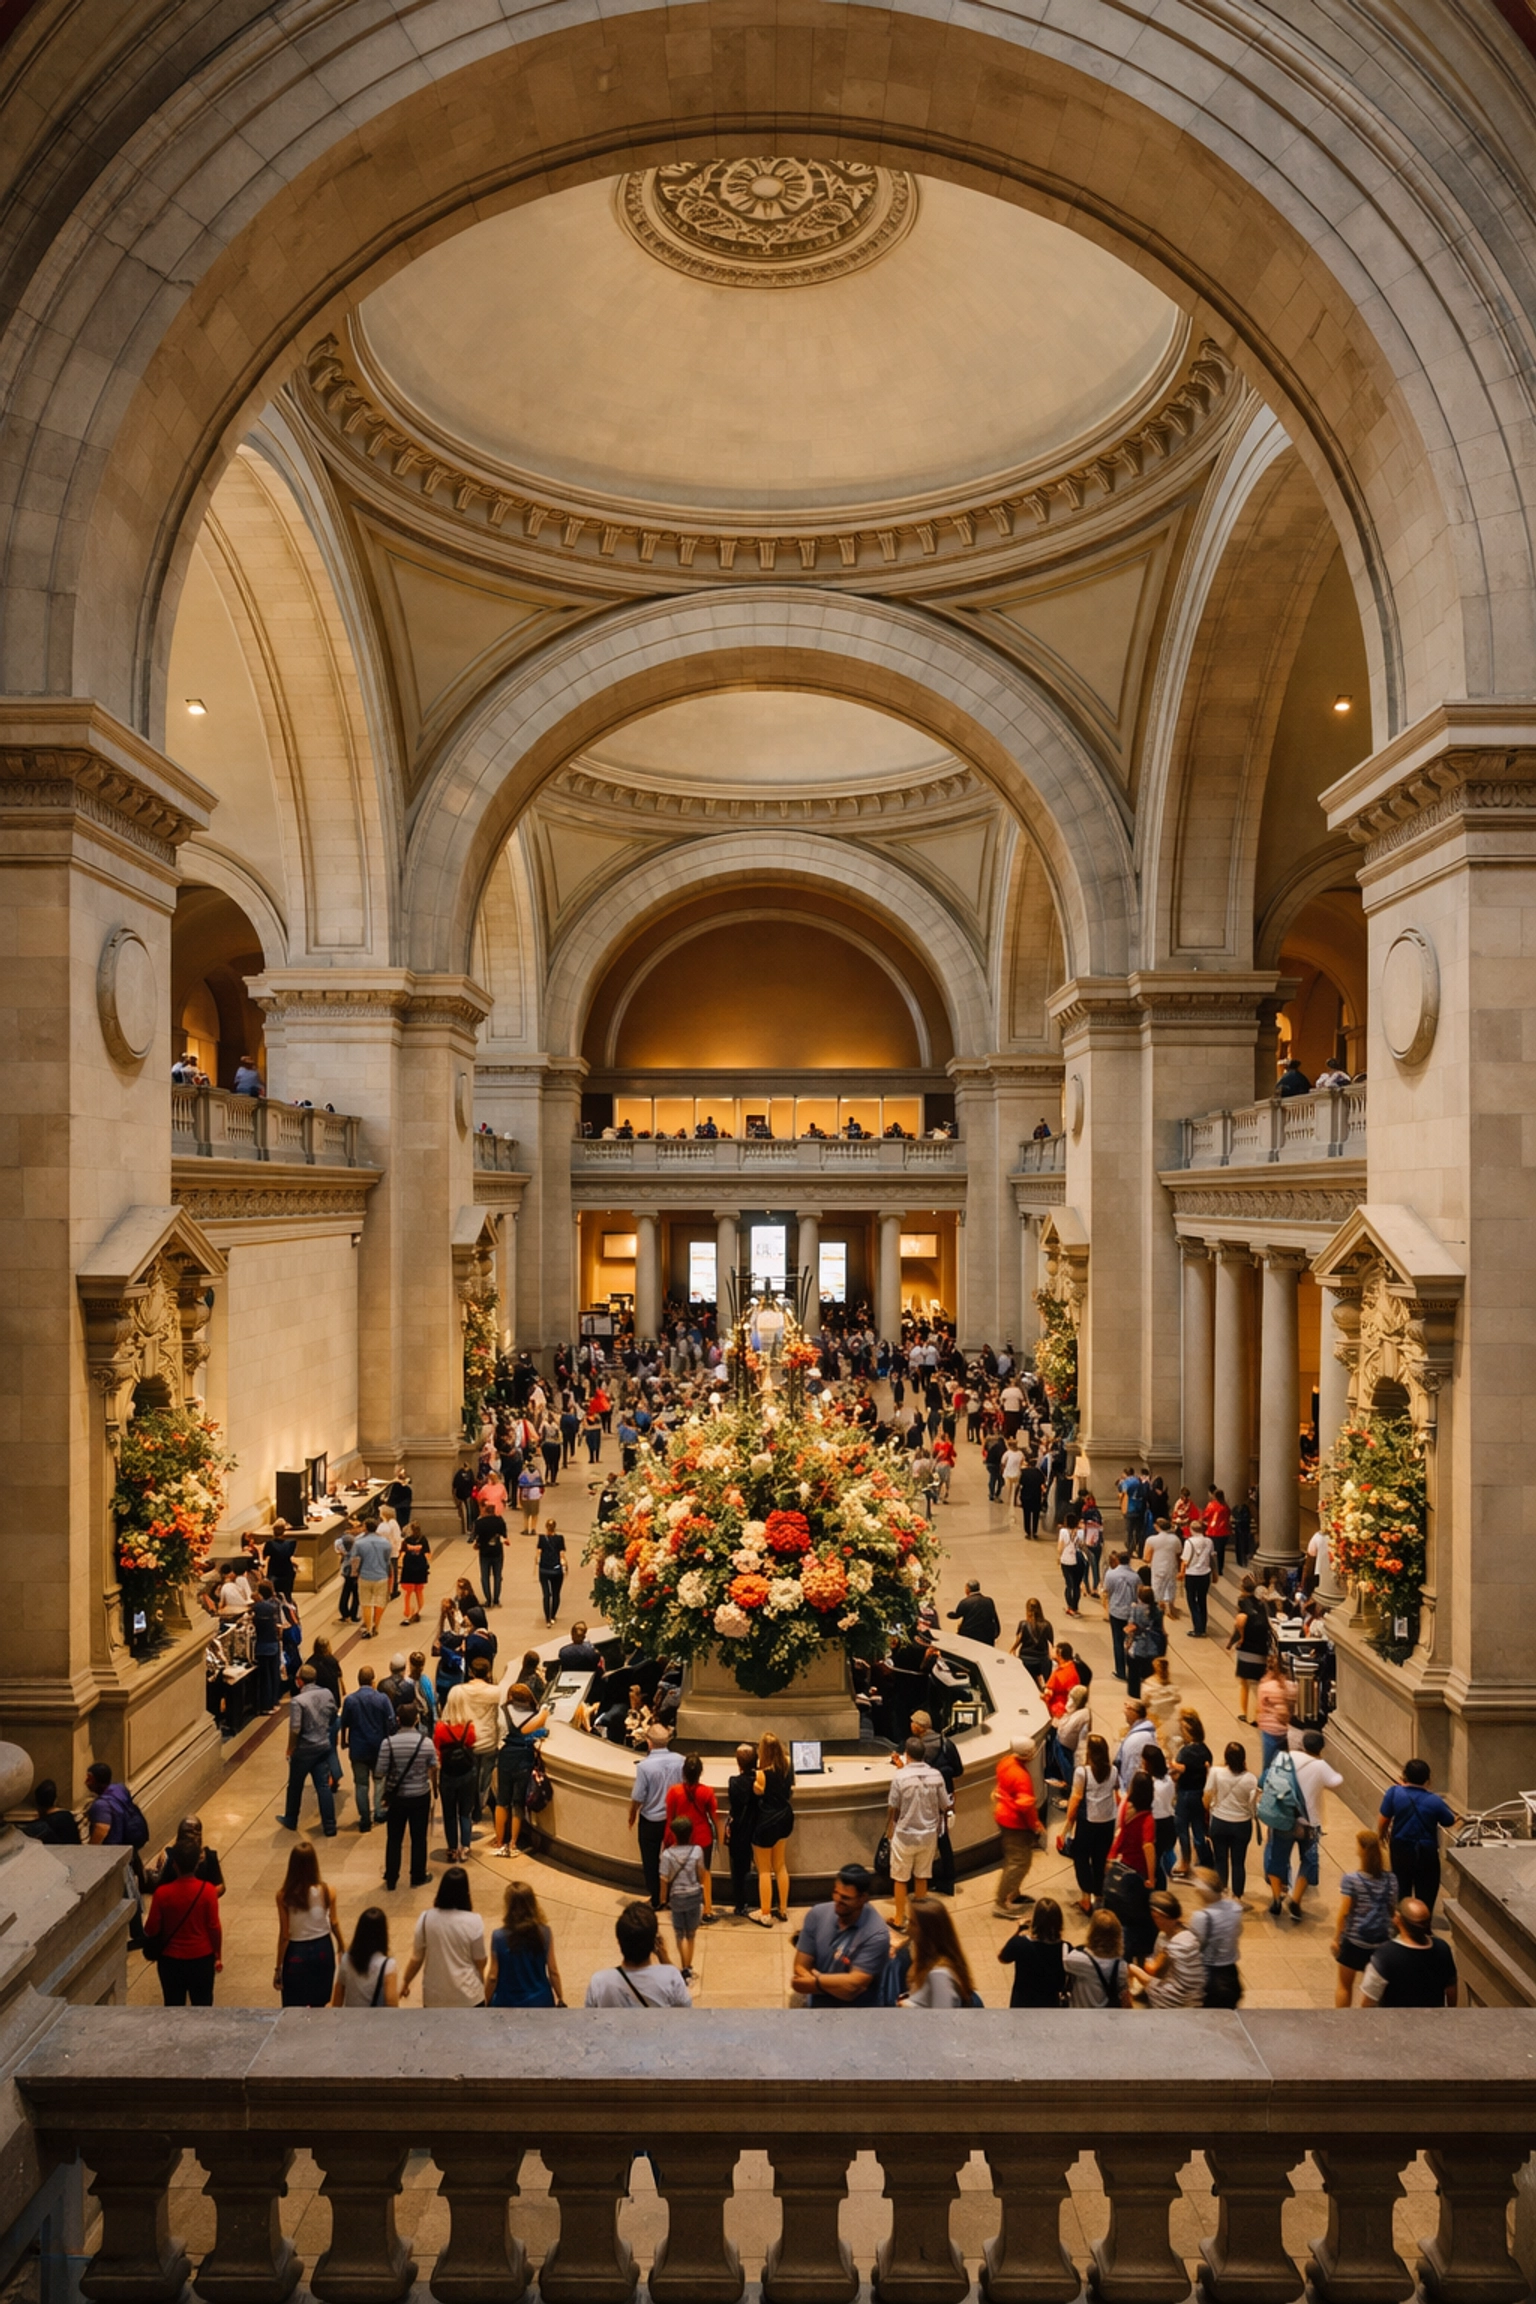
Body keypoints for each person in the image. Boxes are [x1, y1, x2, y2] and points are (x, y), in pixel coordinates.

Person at [1263, 1727, 1342, 1921]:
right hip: (1310, 1822)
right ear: (1321, 1748)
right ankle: (1296, 1900)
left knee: (1277, 1857)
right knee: (1309, 1859)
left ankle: (1276, 1898)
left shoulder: (1285, 1758)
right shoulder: (1321, 1765)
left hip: (1283, 1818)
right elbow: (1337, 1781)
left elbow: (1266, 1777)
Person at [790, 1863, 890, 2006]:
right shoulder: (817, 1914)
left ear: (862, 1899)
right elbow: (800, 1967)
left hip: (858, 2011)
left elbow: (852, 1991)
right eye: (835, 1893)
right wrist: (838, 1985)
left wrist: (816, 1981)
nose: (837, 1900)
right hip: (818, 2005)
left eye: (846, 1898)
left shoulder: (877, 1934)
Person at [143, 1834, 222, 2005]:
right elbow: (214, 1927)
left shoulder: (162, 1894)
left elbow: (151, 1929)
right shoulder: (208, 1891)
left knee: (173, 2005)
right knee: (203, 2006)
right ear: (197, 1864)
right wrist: (217, 1955)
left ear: (174, 1864)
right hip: (202, 1958)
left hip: (171, 1961)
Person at [886, 1734, 952, 1931]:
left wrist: (891, 1829)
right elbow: (945, 1803)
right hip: (929, 1834)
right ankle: (921, 1920)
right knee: (922, 1876)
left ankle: (899, 1919)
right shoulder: (936, 1775)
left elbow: (893, 1805)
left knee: (900, 1878)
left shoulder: (900, 1777)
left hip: (905, 1834)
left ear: (907, 1755)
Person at [1377, 1757, 1457, 1915]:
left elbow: (1384, 1819)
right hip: (1426, 1852)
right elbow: (1448, 1821)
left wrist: (1382, 1836)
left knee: (1401, 1886)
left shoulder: (1394, 1793)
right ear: (1428, 1779)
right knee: (1426, 1890)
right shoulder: (1434, 1800)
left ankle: (1402, 1923)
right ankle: (1422, 1924)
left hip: (1400, 1848)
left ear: (1404, 1775)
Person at [1331, 1828, 1399, 2006]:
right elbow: (1392, 1909)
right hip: (1381, 1942)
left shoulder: (1352, 1880)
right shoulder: (1391, 1880)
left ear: (1361, 1850)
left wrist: (1337, 1938)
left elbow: (1345, 1913)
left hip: (1354, 1941)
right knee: (1373, 1991)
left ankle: (1342, 2022)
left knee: (1344, 1986)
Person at [375, 1696, 437, 1890]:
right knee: (419, 1837)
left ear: (398, 1720)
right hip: (420, 1795)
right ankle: (417, 1875)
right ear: (417, 1720)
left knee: (394, 1838)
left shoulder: (388, 1744)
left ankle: (392, 1877)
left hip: (397, 1798)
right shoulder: (426, 1743)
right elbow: (433, 1766)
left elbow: (379, 1771)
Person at [584, 1898, 692, 2006]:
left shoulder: (599, 1983)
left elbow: (589, 2020)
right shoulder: (671, 1977)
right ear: (654, 1942)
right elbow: (686, 2013)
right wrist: (664, 1958)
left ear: (619, 1941)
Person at [402, 1867, 486, 2005]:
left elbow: (416, 1958)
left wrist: (406, 1981)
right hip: (468, 1996)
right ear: (466, 1893)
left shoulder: (426, 1918)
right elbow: (480, 1961)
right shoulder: (474, 1920)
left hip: (435, 1996)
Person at [273, 1838, 342, 2006]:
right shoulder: (327, 1891)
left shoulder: (284, 1895)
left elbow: (284, 1934)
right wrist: (342, 1945)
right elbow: (334, 1922)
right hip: (323, 1948)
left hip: (297, 1951)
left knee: (293, 2005)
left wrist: (278, 1968)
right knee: (321, 2002)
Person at [276, 1663, 339, 1838]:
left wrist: (290, 1748)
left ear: (299, 1682)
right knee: (323, 1786)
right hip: (322, 1746)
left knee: (295, 1786)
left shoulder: (298, 1701)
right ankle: (330, 1825)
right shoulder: (327, 1694)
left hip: (304, 1750)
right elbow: (333, 1715)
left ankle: (291, 1819)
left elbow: (295, 1728)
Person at [1360, 1898, 1457, 2006]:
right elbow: (1451, 1989)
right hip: (1433, 2019)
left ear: (1398, 1919)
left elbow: (1368, 2001)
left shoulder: (1384, 1956)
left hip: (1396, 2021)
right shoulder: (1442, 1948)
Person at [443, 1655, 505, 1825]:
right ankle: (480, 1805)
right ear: (488, 1673)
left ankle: (470, 1809)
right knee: (484, 1779)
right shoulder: (496, 1692)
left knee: (469, 1778)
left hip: (466, 1742)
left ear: (470, 1672)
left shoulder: (457, 1691)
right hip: (488, 1741)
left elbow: (447, 1717)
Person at [630, 1723, 685, 1907]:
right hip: (674, 1819)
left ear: (649, 1742)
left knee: (651, 1860)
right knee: (674, 1858)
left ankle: (656, 1899)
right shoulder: (681, 1760)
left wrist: (631, 1816)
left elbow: (638, 1797)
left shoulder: (644, 1767)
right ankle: (671, 1896)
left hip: (651, 1820)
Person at [1062, 1732, 1118, 1914]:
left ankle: (1086, 1898)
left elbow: (1075, 1800)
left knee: (1081, 1857)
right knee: (1100, 1859)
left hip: (1088, 1823)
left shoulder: (1082, 1773)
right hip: (1108, 1822)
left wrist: (1066, 1829)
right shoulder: (1113, 1771)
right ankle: (1100, 1896)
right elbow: (1116, 1794)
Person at [485, 1879, 564, 2007]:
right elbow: (553, 1970)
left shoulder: (499, 1936)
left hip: (508, 2003)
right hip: (540, 2001)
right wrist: (560, 1997)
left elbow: (493, 1976)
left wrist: (486, 2001)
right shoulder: (544, 1933)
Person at [493, 1681, 549, 1857]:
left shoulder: (503, 1712)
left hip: (505, 1757)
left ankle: (499, 1840)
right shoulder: (531, 1715)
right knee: (518, 1802)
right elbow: (540, 1730)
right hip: (523, 1759)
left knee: (502, 1801)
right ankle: (514, 1843)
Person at [664, 1752, 719, 1922]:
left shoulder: (674, 1792)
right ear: (700, 1772)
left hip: (681, 1838)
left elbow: (669, 1818)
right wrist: (720, 1838)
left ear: (684, 1772)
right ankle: (708, 1909)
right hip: (703, 1838)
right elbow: (714, 1817)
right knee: (705, 1874)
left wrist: (668, 1840)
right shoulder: (707, 1792)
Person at [991, 1737, 1041, 1918]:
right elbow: (1025, 1806)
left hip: (1002, 1816)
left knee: (1013, 1857)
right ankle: (1000, 1902)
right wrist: (1035, 1825)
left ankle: (1014, 1893)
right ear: (1027, 1754)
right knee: (1019, 1863)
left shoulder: (1006, 1762)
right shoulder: (1021, 1777)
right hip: (1015, 1823)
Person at [1130, 1890, 1206, 2006]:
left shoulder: (1173, 1945)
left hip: (1177, 1996)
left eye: (1156, 1917)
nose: (1155, 1921)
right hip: (1196, 1993)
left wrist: (1147, 1962)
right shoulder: (1188, 1931)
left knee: (1130, 1968)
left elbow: (1152, 1970)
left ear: (1165, 1917)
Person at [751, 1732, 796, 1927]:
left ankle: (766, 1912)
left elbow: (757, 1792)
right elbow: (791, 1787)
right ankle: (783, 1909)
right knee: (780, 1865)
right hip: (785, 1817)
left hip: (766, 1822)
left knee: (764, 1869)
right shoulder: (788, 1763)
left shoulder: (761, 1774)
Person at [900, 1899, 976, 2006]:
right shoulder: (921, 1956)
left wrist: (908, 2006)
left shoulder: (939, 1975)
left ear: (927, 1932)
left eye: (912, 1923)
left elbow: (942, 2019)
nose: (907, 1927)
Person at [659, 1814, 707, 1982]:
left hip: (677, 1897)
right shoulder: (697, 1851)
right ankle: (688, 1967)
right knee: (691, 1934)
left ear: (674, 1834)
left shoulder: (667, 1855)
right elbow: (701, 1873)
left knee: (680, 1934)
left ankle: (684, 1968)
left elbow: (664, 1879)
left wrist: (663, 1900)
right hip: (694, 1895)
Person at [1188, 1868, 1245, 2007]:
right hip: (1231, 1972)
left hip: (1210, 1973)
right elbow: (1238, 1931)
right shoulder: (1235, 1908)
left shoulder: (1201, 1917)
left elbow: (1196, 1945)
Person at [997, 1896, 1067, 2007]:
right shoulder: (1065, 1948)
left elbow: (1002, 1957)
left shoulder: (1020, 1944)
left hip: (1022, 2005)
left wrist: (1019, 1930)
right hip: (1050, 2006)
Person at [1170, 1709, 1213, 1877]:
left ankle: (1185, 1863)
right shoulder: (1205, 1750)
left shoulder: (1186, 1752)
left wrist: (1172, 1766)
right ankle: (1205, 1860)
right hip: (1200, 1794)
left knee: (1182, 1828)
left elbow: (1178, 1771)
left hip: (1185, 1793)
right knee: (1198, 1829)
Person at [434, 1708, 479, 1863]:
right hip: (467, 1773)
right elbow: (473, 1744)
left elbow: (437, 1749)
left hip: (448, 1774)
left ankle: (452, 1849)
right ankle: (465, 1847)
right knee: (465, 1813)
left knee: (449, 1813)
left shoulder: (440, 1727)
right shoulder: (469, 1726)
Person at [1063, 1908, 1132, 2007]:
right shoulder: (1122, 1967)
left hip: (1080, 2017)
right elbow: (1125, 1998)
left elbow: (1065, 1961)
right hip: (1105, 2019)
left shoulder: (1078, 1960)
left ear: (1092, 1931)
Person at [331, 1906, 399, 2007]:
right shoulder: (388, 1965)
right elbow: (391, 2002)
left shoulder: (347, 1960)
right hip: (375, 2020)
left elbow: (338, 1998)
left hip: (351, 2020)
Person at [1227, 1578, 1271, 1720]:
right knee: (1257, 1684)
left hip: (1247, 1649)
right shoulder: (1261, 1605)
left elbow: (1240, 1623)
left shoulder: (1243, 1604)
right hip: (1261, 1648)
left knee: (1245, 1684)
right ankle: (1258, 1714)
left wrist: (1230, 1643)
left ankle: (1248, 1714)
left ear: (1242, 1588)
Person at [725, 1741, 758, 1918]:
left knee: (738, 1870)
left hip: (738, 1829)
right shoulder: (759, 1782)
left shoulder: (734, 1782)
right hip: (756, 1828)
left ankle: (740, 1904)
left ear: (738, 1763)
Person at [350, 1521, 393, 1640]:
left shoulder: (359, 1543)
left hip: (365, 1576)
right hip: (381, 1576)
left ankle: (368, 1628)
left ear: (366, 1528)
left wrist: (354, 1574)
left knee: (366, 1603)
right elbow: (387, 1560)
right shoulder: (385, 1542)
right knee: (380, 1602)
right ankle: (376, 1626)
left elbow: (355, 1560)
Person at [1101, 1551, 1140, 1681]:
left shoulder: (1111, 1574)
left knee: (1117, 1642)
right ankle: (1133, 1669)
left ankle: (1121, 1671)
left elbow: (1107, 1589)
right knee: (1130, 1642)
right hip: (1130, 1613)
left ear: (1118, 1560)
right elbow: (1138, 1593)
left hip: (1116, 1611)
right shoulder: (1135, 1576)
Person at [1256, 1656, 1295, 1774]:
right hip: (1285, 1729)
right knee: (1285, 1764)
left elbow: (1260, 1708)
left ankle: (1265, 1785)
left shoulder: (1264, 1687)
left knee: (1268, 1764)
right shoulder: (1291, 1686)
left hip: (1269, 1730)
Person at [1179, 1518, 1216, 1638]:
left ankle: (1197, 1627)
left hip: (1192, 1574)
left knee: (1191, 1600)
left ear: (1191, 1529)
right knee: (1202, 1600)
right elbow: (1212, 1558)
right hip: (1205, 1573)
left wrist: (1181, 1573)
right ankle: (1203, 1626)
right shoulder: (1209, 1541)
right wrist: (1215, 1573)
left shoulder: (1189, 1542)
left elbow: (1185, 1560)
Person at [1115, 1698, 1156, 1789]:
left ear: (1134, 1712)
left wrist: (1128, 1792)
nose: (1124, 1712)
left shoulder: (1136, 1739)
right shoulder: (1145, 1734)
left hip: (1134, 1790)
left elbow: (1132, 1769)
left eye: (1127, 1708)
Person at [1011, 1599, 1054, 1685]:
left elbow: (1018, 1640)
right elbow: (1051, 1643)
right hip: (1042, 1661)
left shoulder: (1023, 1624)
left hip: (1026, 1660)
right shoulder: (1047, 1625)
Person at [1144, 1522, 1182, 1619]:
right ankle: (1169, 1603)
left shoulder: (1151, 1539)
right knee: (1170, 1586)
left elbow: (1146, 1557)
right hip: (1171, 1565)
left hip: (1157, 1565)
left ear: (1157, 1527)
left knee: (1157, 1586)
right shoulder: (1175, 1539)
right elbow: (1178, 1553)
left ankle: (1158, 1606)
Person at [947, 1580, 1002, 1644]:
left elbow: (957, 1615)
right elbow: (994, 1617)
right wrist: (996, 1632)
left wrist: (949, 1614)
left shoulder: (965, 1602)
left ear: (967, 1589)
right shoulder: (989, 1601)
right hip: (987, 1636)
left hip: (969, 1636)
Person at [472, 1506, 506, 1609]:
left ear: (485, 1511)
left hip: (484, 1552)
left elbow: (475, 1537)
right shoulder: (500, 1521)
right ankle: (496, 1599)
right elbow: (504, 1534)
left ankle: (488, 1600)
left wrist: (477, 1544)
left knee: (485, 1577)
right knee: (497, 1576)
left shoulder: (479, 1523)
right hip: (497, 1551)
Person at [535, 1519, 567, 1626]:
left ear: (546, 1527)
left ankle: (547, 1618)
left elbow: (538, 1554)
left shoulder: (542, 1538)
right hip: (556, 1569)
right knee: (556, 1594)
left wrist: (537, 1564)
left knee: (546, 1594)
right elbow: (562, 1554)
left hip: (544, 1569)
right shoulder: (560, 1539)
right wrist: (565, 1565)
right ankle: (553, 1615)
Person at [398, 1523, 431, 1624]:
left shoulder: (406, 1541)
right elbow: (428, 1554)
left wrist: (399, 1567)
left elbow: (402, 1554)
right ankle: (418, 1610)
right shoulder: (423, 1539)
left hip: (408, 1568)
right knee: (418, 1591)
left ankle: (409, 1612)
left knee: (408, 1592)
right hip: (420, 1567)